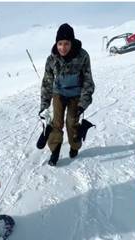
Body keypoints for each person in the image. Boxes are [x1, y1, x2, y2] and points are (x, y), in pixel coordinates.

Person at [39, 23, 95, 166]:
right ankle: (55, 151)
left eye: (66, 44)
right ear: (56, 43)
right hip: (59, 94)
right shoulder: (51, 59)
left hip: (76, 95)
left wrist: (82, 104)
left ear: (71, 42)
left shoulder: (82, 56)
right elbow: (47, 83)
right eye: (60, 44)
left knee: (71, 122)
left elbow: (88, 81)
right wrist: (44, 106)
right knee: (56, 123)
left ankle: (74, 145)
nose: (63, 47)